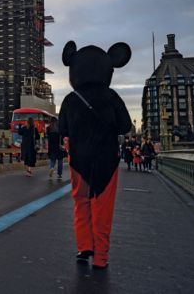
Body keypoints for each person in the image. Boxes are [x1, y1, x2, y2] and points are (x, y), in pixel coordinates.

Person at [58, 40, 132, 269]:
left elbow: (63, 130)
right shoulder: (111, 97)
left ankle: (84, 248)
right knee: (102, 207)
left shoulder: (70, 100)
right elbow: (125, 126)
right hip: (106, 160)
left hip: (79, 160)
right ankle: (101, 257)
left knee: (81, 204)